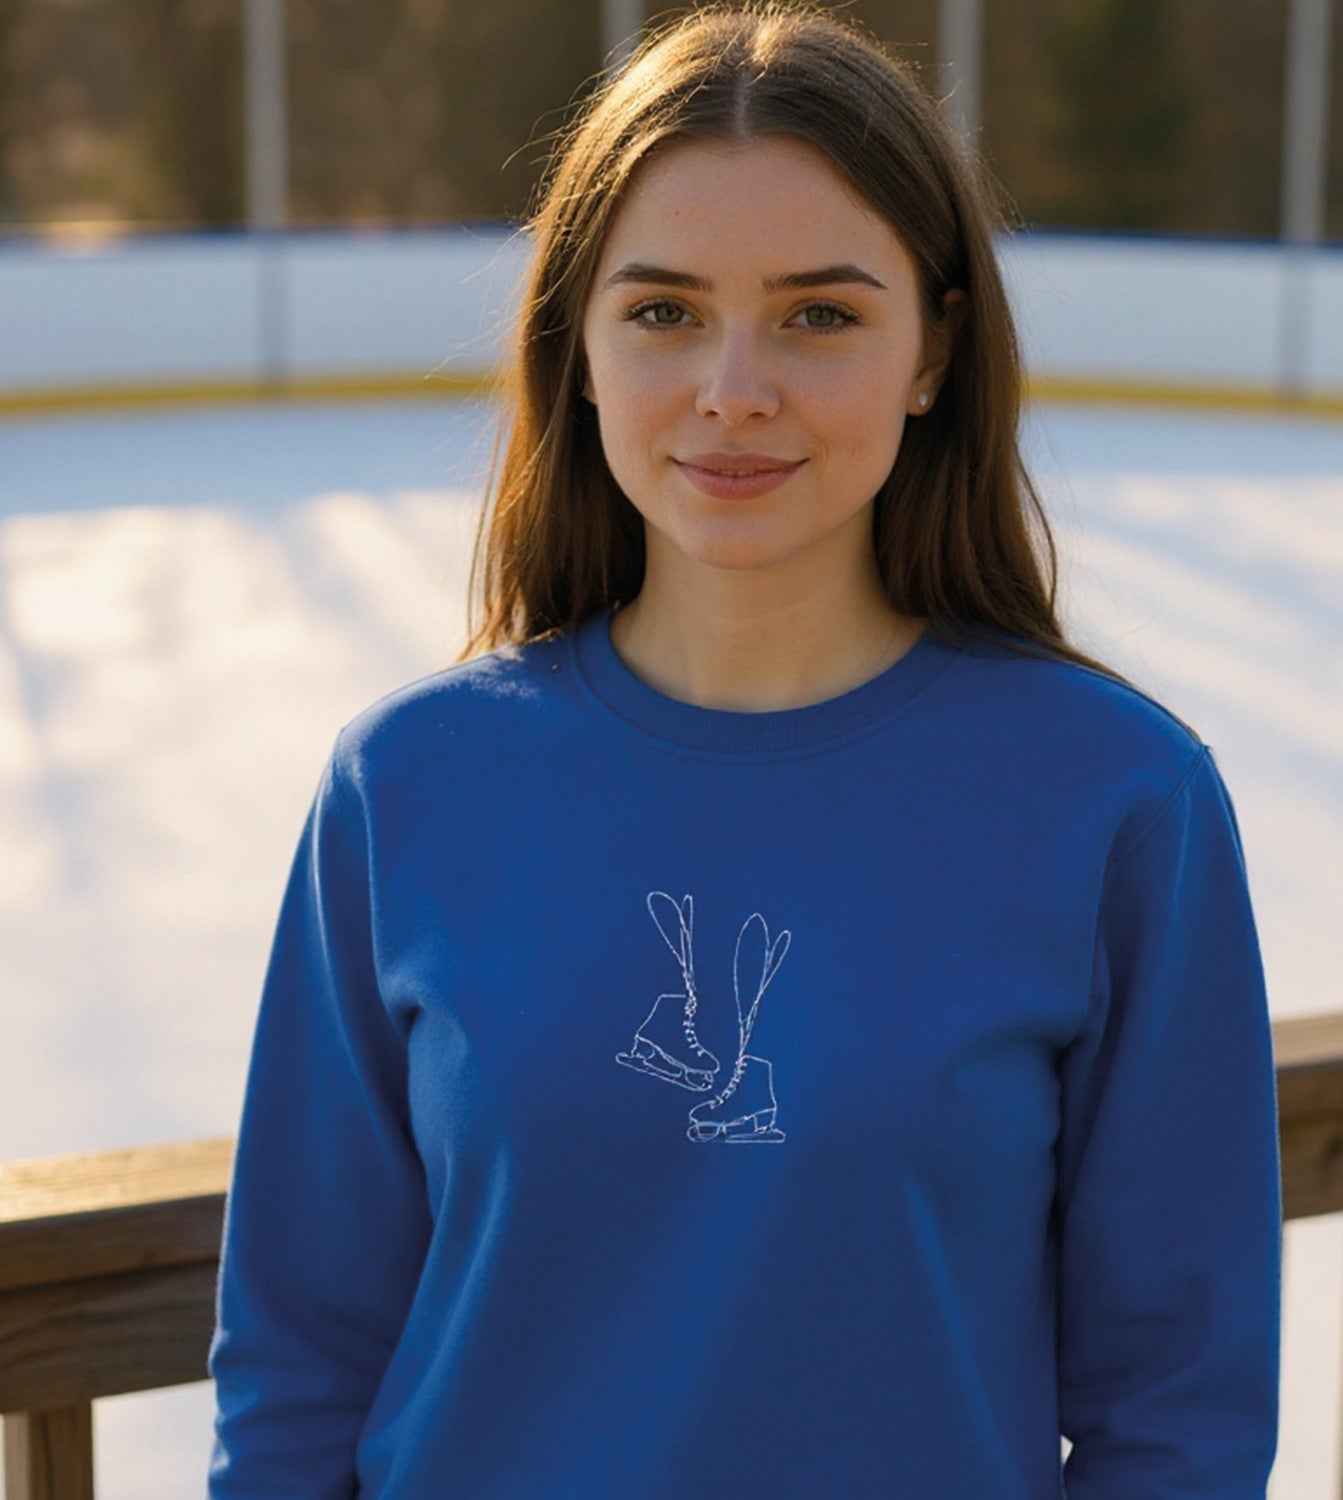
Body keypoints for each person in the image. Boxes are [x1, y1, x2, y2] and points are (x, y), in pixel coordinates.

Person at [207, 3, 1283, 1495]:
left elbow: (1183, 1407)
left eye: (819, 314)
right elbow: (297, 1360)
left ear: (931, 350)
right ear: (577, 347)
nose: (732, 387)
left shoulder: (1118, 803)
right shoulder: (404, 791)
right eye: (662, 312)